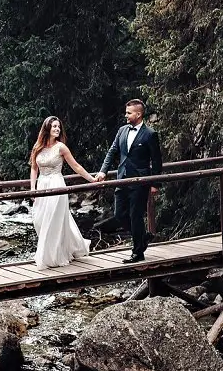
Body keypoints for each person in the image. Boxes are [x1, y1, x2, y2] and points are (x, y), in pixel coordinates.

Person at [94, 99, 163, 263]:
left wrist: (155, 183)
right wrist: (103, 171)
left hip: (140, 181)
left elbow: (157, 160)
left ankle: (138, 252)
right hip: (122, 178)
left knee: (135, 215)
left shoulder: (150, 134)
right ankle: (143, 237)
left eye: (129, 113)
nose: (126, 115)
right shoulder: (122, 130)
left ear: (138, 114)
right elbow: (112, 152)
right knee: (119, 214)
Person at [29, 116, 96, 268]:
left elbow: (76, 166)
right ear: (47, 128)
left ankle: (53, 257)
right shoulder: (37, 146)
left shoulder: (61, 147)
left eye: (58, 127)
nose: (57, 129)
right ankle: (60, 248)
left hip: (57, 185)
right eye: (54, 127)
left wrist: (91, 179)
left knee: (53, 220)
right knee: (39, 220)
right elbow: (34, 168)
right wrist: (33, 188)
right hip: (42, 185)